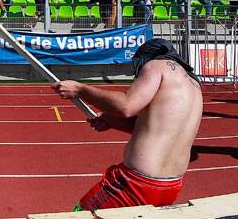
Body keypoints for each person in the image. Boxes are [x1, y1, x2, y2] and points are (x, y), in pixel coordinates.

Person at [51, 39, 202, 210]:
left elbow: (126, 106)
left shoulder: (156, 66)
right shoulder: (193, 84)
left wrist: (80, 90)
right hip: (172, 185)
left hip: (136, 183)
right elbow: (157, 128)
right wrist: (111, 121)